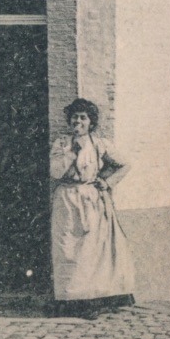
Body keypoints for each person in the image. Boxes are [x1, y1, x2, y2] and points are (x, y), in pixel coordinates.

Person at [48, 98, 134, 317]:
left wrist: (107, 182)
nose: (78, 121)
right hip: (66, 199)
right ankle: (68, 300)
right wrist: (72, 151)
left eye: (83, 118)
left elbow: (124, 164)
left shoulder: (98, 144)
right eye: (75, 117)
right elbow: (56, 172)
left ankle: (89, 301)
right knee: (67, 248)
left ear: (91, 122)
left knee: (89, 251)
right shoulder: (61, 144)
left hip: (90, 199)